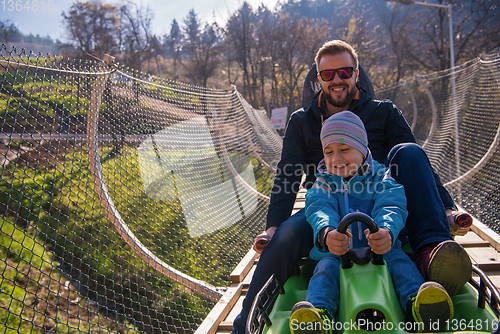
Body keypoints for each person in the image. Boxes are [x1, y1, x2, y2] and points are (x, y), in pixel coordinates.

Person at [232, 40, 471, 334]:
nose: (337, 80)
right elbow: (287, 175)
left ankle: (432, 254)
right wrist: (273, 227)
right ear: (318, 78)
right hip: (329, 207)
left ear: (357, 73)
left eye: (344, 71)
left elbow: (418, 164)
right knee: (287, 235)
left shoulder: (383, 112)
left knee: (408, 150)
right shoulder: (302, 122)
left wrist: (447, 207)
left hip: (383, 202)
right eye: (328, 74)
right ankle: (245, 326)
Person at [288, 110, 453, 334]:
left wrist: (387, 230)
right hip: (338, 253)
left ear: (363, 150)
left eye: (344, 150)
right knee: (324, 270)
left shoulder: (381, 178)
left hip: (378, 249)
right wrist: (326, 233)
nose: (336, 158)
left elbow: (391, 204)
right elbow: (318, 207)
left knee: (400, 262)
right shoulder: (324, 182)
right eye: (328, 152)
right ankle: (319, 314)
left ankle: (417, 303)